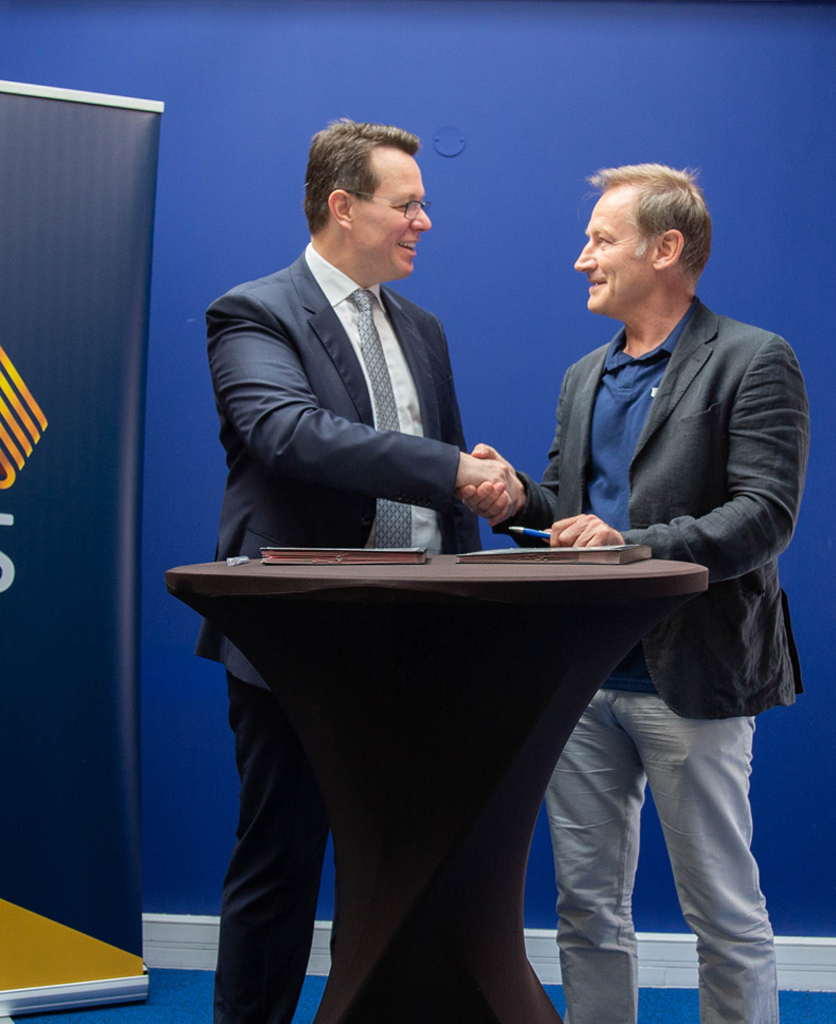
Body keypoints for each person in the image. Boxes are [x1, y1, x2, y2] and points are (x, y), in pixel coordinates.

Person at [466, 164, 808, 1024]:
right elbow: (566, 510)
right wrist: (516, 501)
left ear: (666, 249)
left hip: (693, 677)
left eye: (600, 240)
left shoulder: (753, 359)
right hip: (581, 681)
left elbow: (764, 516)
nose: (582, 258)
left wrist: (634, 546)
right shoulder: (583, 375)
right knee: (585, 909)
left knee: (722, 912)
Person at [199, 119, 521, 1024]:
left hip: (420, 640)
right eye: (408, 204)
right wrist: (449, 467)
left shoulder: (423, 327)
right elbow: (287, 434)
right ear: (343, 207)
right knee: (283, 857)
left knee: (401, 865)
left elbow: (441, 471)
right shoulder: (254, 312)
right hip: (298, 639)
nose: (426, 222)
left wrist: (480, 488)